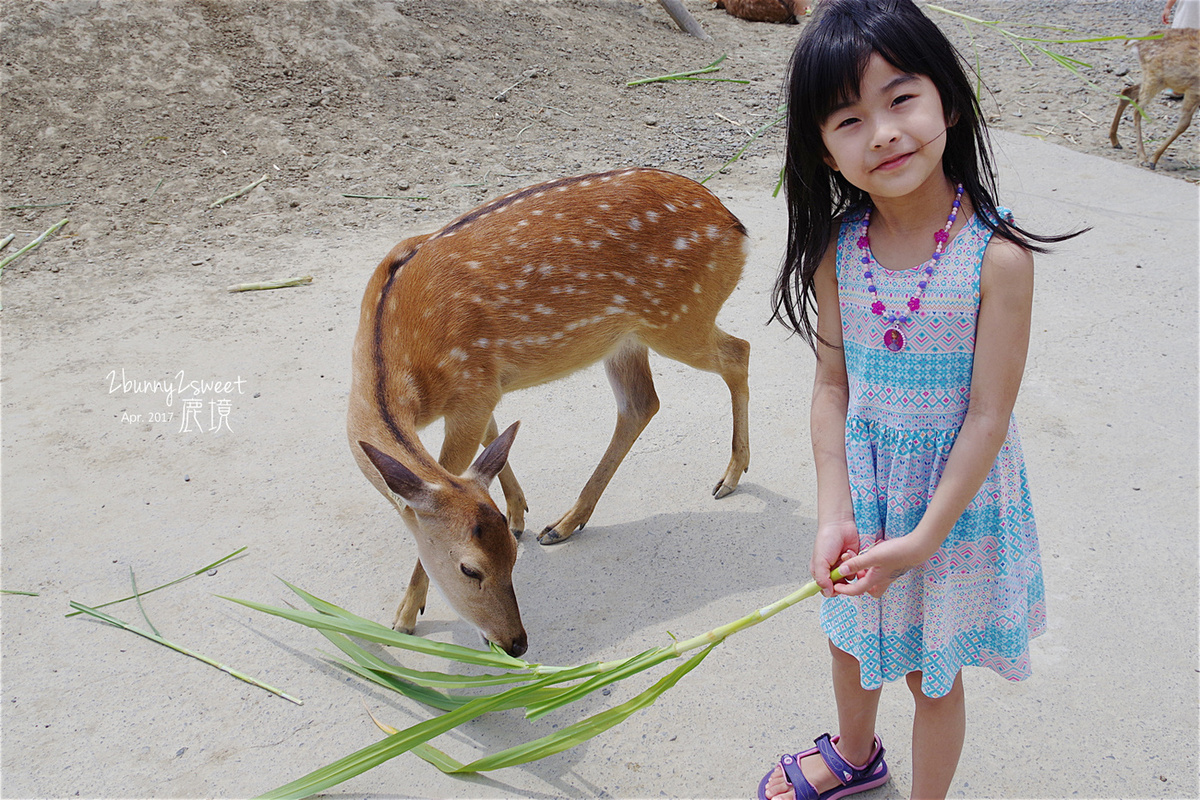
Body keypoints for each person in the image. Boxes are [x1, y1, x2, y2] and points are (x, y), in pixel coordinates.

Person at [760, 1, 1084, 798]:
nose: (881, 132)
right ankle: (854, 757)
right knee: (847, 634)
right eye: (847, 118)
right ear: (825, 154)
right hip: (868, 493)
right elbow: (831, 387)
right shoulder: (834, 255)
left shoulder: (997, 260)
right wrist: (835, 510)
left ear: (949, 100)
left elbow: (987, 416)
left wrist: (926, 536)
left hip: (952, 505)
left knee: (932, 678)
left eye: (901, 98)